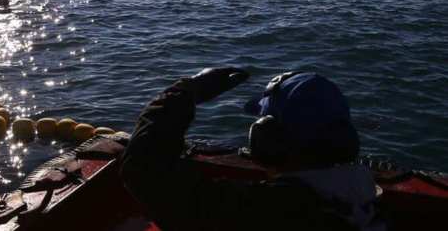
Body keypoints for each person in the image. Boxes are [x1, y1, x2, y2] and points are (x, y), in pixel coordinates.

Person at [120, 68, 384, 231]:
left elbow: (143, 171)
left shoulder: (266, 212)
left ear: (269, 141)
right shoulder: (362, 196)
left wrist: (185, 92)